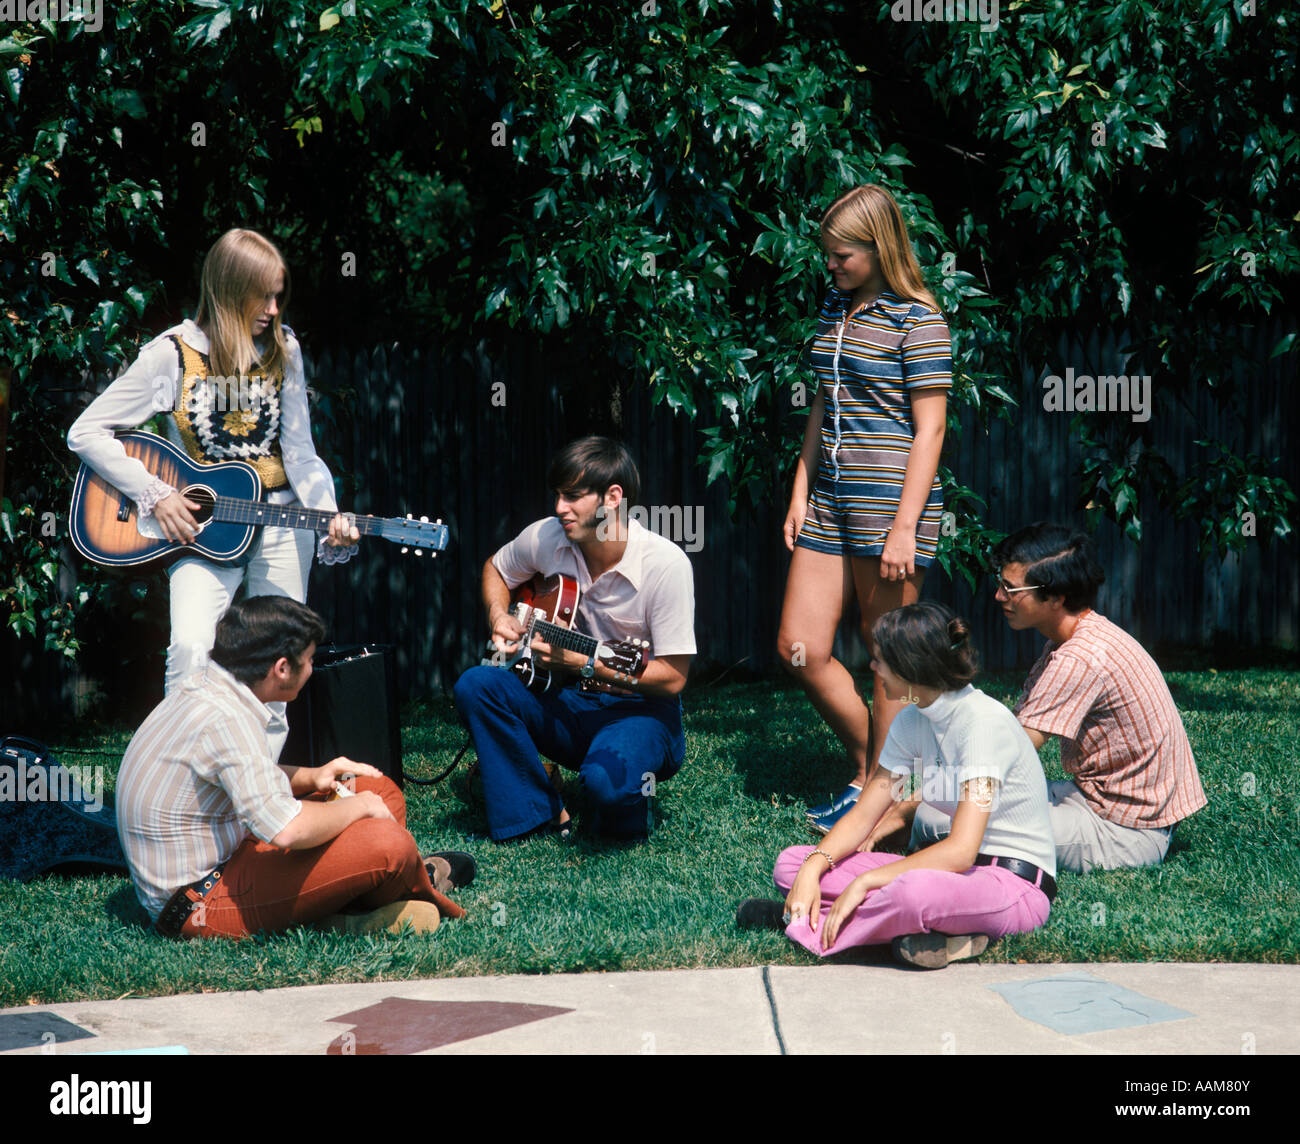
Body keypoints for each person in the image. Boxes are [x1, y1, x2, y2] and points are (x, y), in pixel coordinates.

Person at [67, 228, 359, 725]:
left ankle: (255, 795)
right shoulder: (171, 355)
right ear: (228, 290)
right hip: (202, 530)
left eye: (277, 294)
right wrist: (154, 493)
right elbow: (86, 431)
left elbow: (301, 453)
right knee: (190, 647)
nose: (272, 307)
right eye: (261, 294)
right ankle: (181, 788)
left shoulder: (283, 349)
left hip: (284, 521)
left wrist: (326, 514)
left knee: (277, 664)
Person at [115, 595, 474, 939]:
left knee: (376, 787)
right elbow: (286, 830)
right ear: (282, 668)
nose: (313, 669)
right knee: (387, 842)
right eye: (311, 659)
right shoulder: (227, 718)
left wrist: (314, 777)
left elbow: (241, 777)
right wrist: (359, 808)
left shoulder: (209, 687)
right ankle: (409, 886)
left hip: (226, 855)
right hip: (199, 901)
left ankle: (345, 902)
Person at [739, 602, 1056, 969]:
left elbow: (961, 851)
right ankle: (925, 935)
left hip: (1012, 887)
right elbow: (864, 816)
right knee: (791, 864)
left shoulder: (983, 725)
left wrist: (866, 881)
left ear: (911, 666)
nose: (873, 668)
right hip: (951, 876)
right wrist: (813, 867)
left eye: (880, 660)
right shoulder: (911, 720)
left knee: (910, 892)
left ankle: (801, 922)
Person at [775, 185, 952, 836]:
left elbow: (930, 431)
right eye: (826, 253)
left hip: (889, 509)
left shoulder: (919, 320)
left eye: (841, 254)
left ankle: (882, 801)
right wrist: (800, 489)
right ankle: (877, 772)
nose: (830, 264)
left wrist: (906, 525)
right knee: (798, 648)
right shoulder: (836, 309)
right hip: (828, 503)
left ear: (879, 249)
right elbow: (822, 404)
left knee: (888, 665)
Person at [913, 522, 1207, 873]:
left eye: (1010, 588)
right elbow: (1007, 731)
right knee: (936, 802)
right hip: (1095, 800)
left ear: (1056, 597)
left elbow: (1006, 753)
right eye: (1000, 583)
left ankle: (906, 854)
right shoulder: (1079, 637)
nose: (998, 596)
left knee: (934, 820)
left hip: (1124, 831)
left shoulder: (1078, 659)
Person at [453, 437, 696, 842]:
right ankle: (538, 812)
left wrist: (584, 663)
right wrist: (499, 615)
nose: (559, 508)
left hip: (641, 711)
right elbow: (496, 568)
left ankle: (627, 788)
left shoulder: (666, 566)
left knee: (606, 786)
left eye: (573, 497)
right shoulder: (547, 537)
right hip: (568, 700)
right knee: (476, 685)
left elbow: (673, 677)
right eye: (557, 496)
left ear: (612, 497)